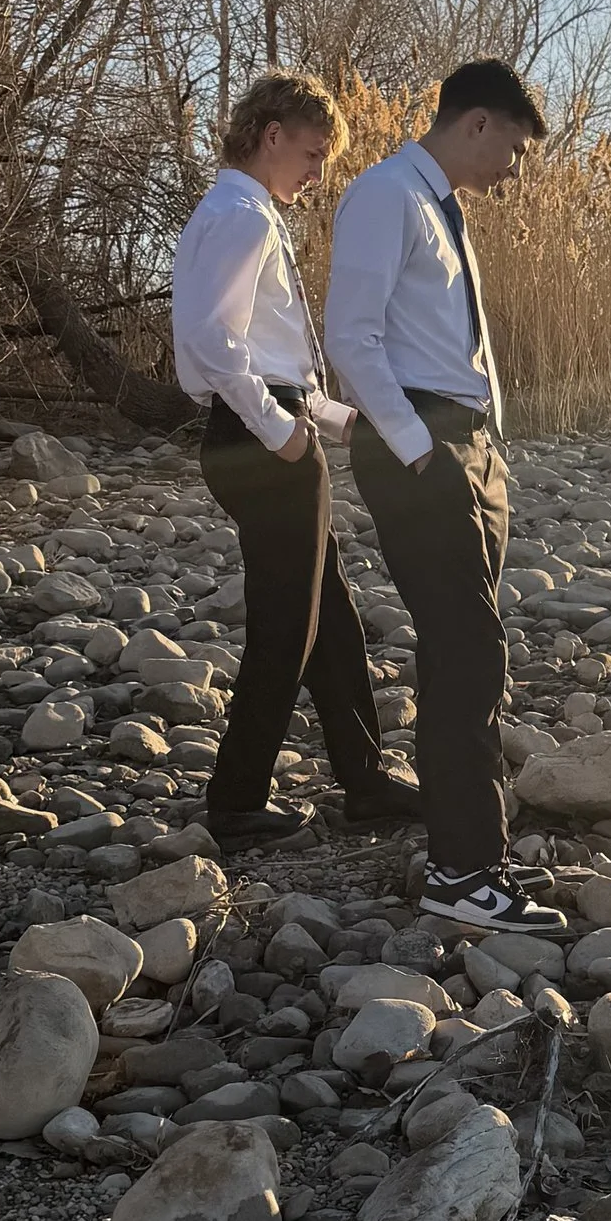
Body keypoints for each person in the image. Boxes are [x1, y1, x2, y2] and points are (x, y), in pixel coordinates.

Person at [325, 57, 562, 941]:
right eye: (514, 145)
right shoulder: (387, 194)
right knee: (469, 650)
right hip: (424, 443)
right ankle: (463, 872)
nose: (516, 166)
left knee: (469, 646)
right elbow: (350, 332)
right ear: (476, 123)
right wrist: (418, 446)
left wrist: (484, 446)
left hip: (464, 444)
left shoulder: (440, 206)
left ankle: (473, 856)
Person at [169, 68, 420, 860]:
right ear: (270, 135)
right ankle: (237, 800)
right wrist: (279, 429)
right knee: (289, 624)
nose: (318, 175)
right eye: (312, 155)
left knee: (330, 614)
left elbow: (273, 362)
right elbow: (216, 343)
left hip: (263, 428)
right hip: (259, 440)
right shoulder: (242, 219)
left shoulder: (229, 213)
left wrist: (338, 422)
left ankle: (365, 778)